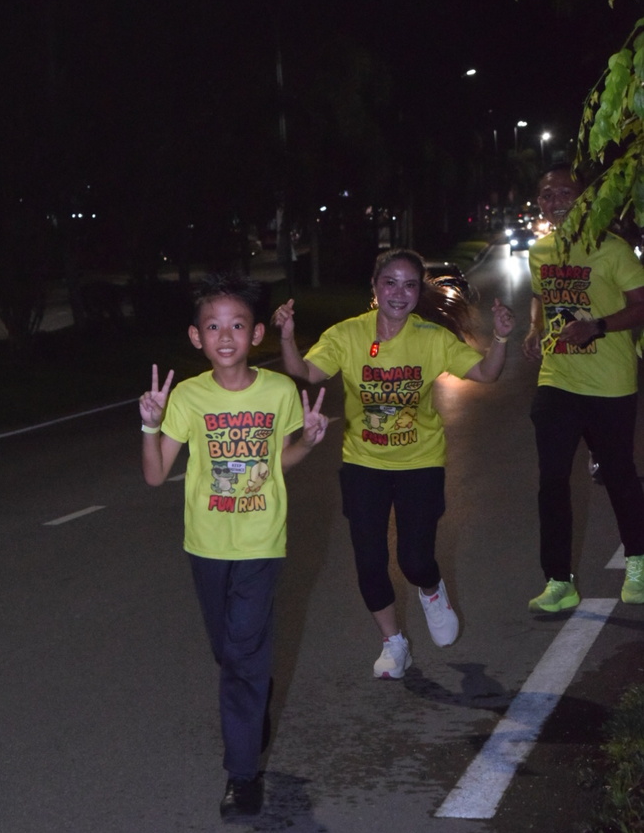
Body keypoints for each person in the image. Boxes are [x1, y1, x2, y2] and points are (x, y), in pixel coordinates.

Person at [272, 248, 514, 679]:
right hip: (363, 462)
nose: (399, 293)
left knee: (415, 560)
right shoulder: (347, 334)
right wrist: (287, 337)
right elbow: (306, 372)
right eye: (390, 283)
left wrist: (500, 338)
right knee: (369, 560)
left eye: (409, 285)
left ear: (418, 292)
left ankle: (431, 589)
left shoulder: (431, 338)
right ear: (375, 286)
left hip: (420, 461)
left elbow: (486, 374)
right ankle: (393, 643)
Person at [139, 273, 328, 818]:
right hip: (205, 544)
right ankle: (253, 696)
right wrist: (150, 426)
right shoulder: (189, 396)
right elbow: (155, 476)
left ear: (257, 333)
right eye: (214, 326)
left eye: (238, 325)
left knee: (242, 657)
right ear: (196, 337)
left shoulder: (279, 392)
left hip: (261, 542)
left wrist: (308, 442)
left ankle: (242, 776)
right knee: (228, 653)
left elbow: (279, 462)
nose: (226, 336)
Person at [523, 164, 644, 611]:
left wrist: (598, 326)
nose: (555, 202)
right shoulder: (540, 250)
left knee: (619, 475)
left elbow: (642, 304)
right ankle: (559, 581)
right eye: (547, 195)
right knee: (552, 481)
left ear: (585, 198)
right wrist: (535, 328)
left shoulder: (612, 249)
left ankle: (638, 562)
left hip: (610, 383)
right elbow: (541, 296)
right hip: (558, 379)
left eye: (565, 193)